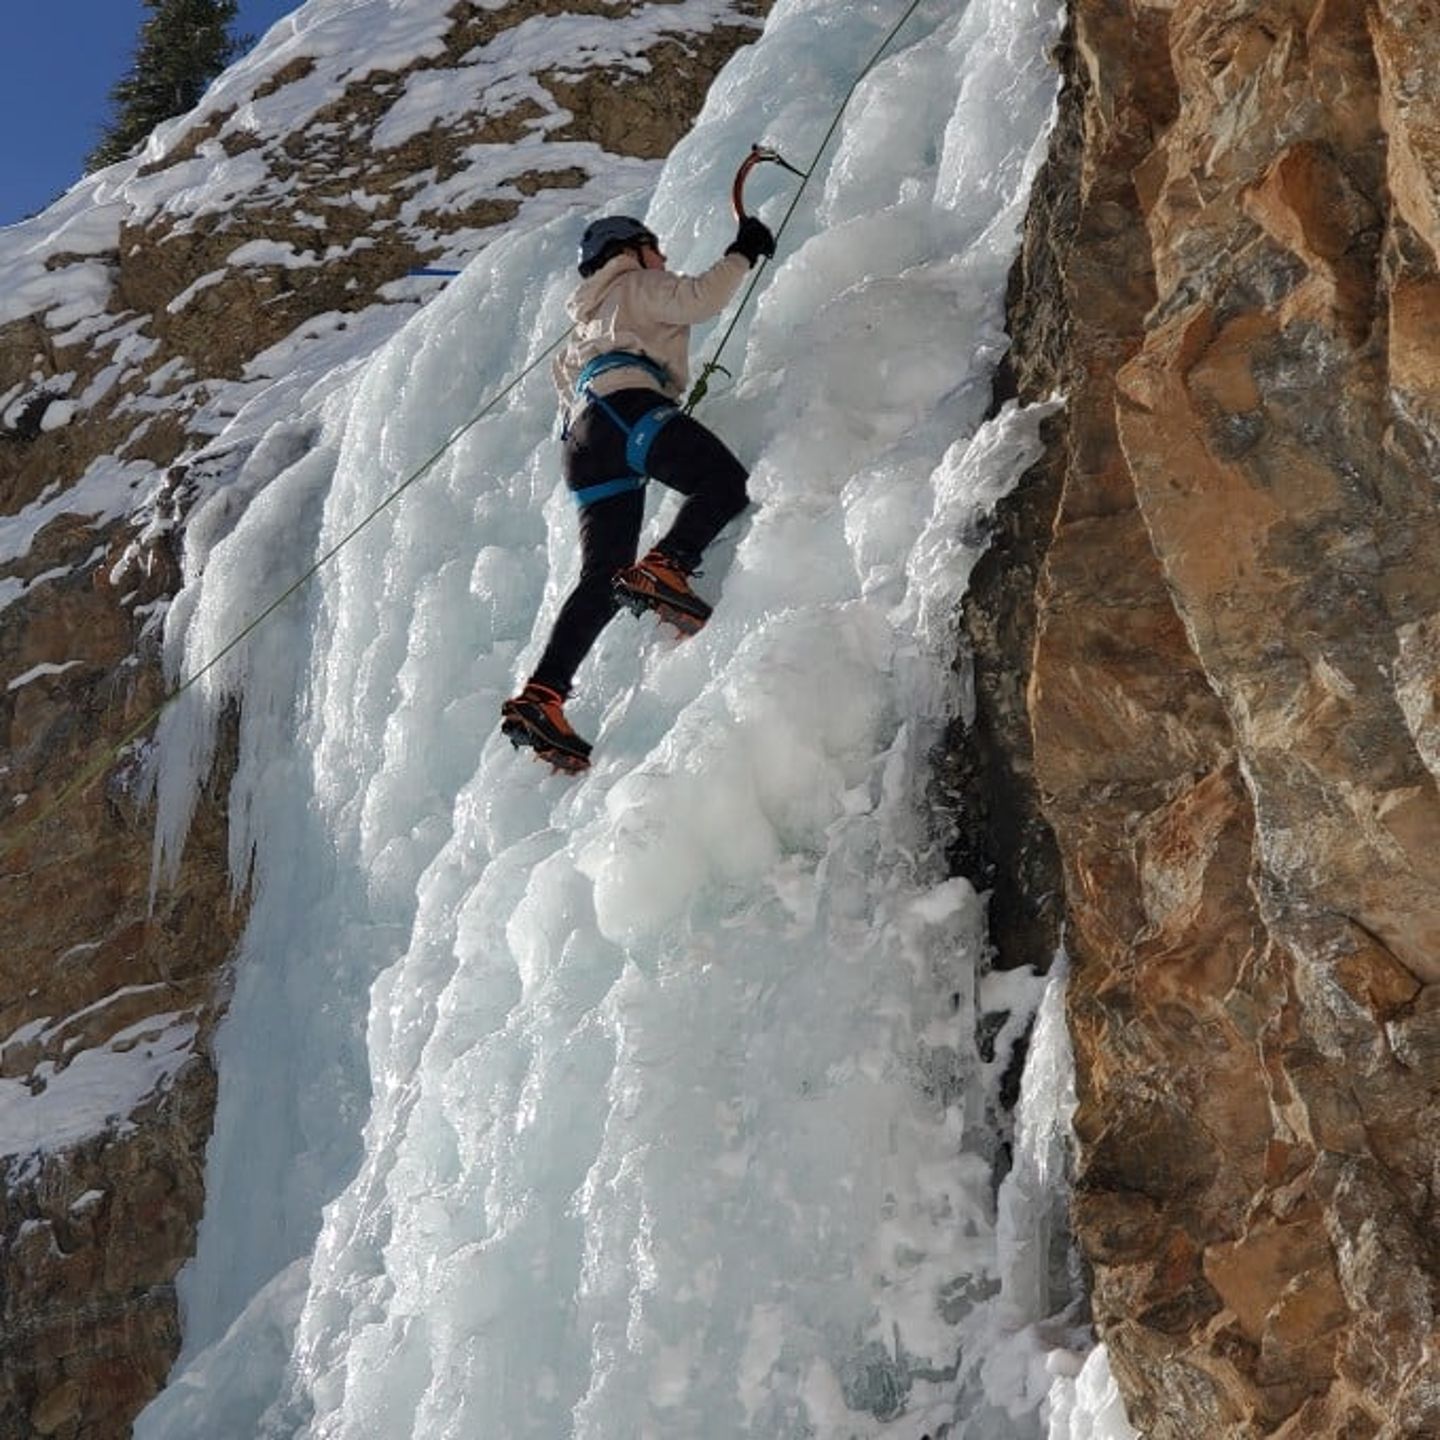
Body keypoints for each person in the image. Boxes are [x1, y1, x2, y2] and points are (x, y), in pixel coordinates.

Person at [500, 209, 777, 772]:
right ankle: (668, 565)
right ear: (631, 248)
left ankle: (542, 697)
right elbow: (700, 298)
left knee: (601, 577)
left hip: (583, 442)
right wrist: (742, 250)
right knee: (723, 483)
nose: (664, 259)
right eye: (657, 247)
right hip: (629, 412)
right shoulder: (633, 282)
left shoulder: (584, 324)